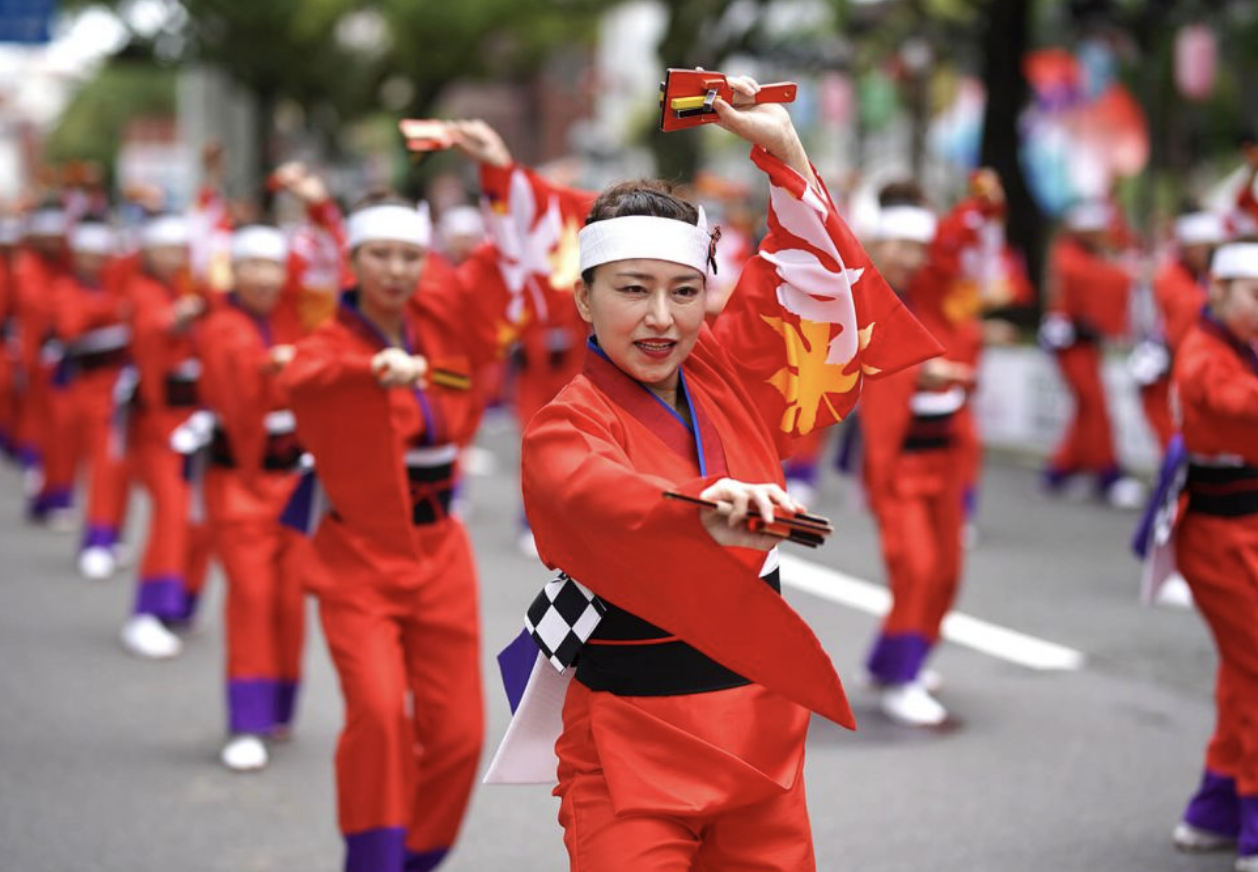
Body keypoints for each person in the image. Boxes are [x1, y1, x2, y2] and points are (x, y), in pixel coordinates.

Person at [516, 76, 939, 869]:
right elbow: (586, 489)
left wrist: (782, 151)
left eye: (685, 291)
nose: (662, 318)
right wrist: (695, 505)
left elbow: (806, 280)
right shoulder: (567, 424)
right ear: (583, 300)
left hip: (760, 740)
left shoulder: (725, 371)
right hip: (631, 744)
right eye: (632, 291)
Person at [280, 122, 516, 872]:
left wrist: (498, 176)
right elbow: (303, 378)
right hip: (358, 556)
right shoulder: (333, 342)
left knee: (458, 734)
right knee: (380, 718)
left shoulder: (444, 324)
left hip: (440, 551)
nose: (396, 269)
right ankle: (372, 861)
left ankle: (417, 858)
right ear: (352, 261)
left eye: (410, 255)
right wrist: (369, 373)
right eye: (380, 254)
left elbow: (504, 269)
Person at [857, 202, 975, 726]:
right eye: (900, 246)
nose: (910, 258)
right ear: (877, 245)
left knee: (947, 569)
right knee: (918, 569)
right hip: (897, 465)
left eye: (918, 249)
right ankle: (901, 679)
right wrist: (921, 375)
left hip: (941, 461)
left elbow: (956, 251)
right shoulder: (860, 294)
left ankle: (895, 661)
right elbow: (874, 367)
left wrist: (978, 203)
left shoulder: (925, 294)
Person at [199, 226, 310, 772]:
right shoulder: (222, 325)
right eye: (252, 266)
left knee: (290, 599)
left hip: (293, 482)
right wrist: (282, 366)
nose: (265, 277)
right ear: (233, 272)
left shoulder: (293, 316)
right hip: (240, 483)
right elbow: (239, 382)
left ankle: (278, 707)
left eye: (273, 265)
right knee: (251, 597)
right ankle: (245, 719)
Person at [1167, 242, 1258, 871]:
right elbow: (1238, 404)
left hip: (1245, 529)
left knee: (1243, 669)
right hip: (1217, 538)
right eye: (1254, 294)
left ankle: (1215, 808)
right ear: (1219, 290)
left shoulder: (1240, 346)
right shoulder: (1202, 354)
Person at [120, 214, 213, 659]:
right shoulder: (145, 292)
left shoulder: (183, 289)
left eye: (180, 250)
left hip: (195, 424)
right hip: (161, 424)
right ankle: (146, 612)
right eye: (165, 249)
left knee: (198, 518)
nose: (174, 258)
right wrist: (180, 318)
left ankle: (179, 602)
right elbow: (156, 328)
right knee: (172, 514)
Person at [1040, 200, 1144, 508]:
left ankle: (1058, 471)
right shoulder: (1069, 256)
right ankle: (1107, 474)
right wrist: (1129, 274)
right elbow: (1097, 279)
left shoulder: (1081, 253)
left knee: (1087, 407)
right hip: (1070, 342)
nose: (1104, 236)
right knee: (1095, 405)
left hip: (1083, 342)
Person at [50, 219, 134, 578]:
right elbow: (71, 327)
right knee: (100, 465)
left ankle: (110, 534)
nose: (94, 262)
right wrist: (111, 313)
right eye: (87, 255)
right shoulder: (67, 287)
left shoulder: (114, 285)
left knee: (118, 468)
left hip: (120, 385)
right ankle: (95, 540)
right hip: (85, 385)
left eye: (100, 255)